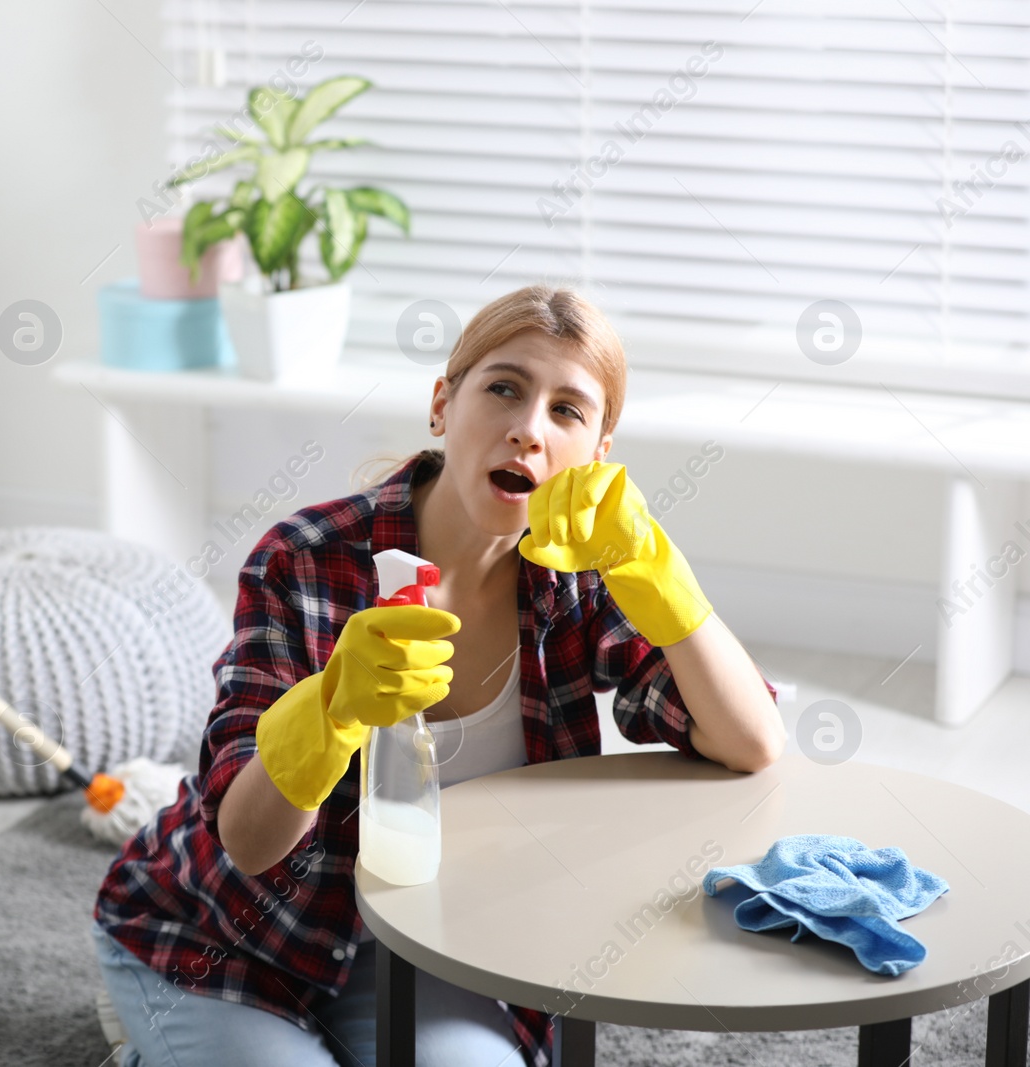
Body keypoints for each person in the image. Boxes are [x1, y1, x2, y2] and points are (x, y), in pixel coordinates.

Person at [90, 284, 785, 1067]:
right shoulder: (305, 558)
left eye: (567, 410)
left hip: (426, 939)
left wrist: (662, 576)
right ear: (441, 406)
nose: (528, 429)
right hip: (225, 937)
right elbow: (247, 842)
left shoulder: (586, 579)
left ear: (597, 455)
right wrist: (333, 707)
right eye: (504, 389)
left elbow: (750, 741)